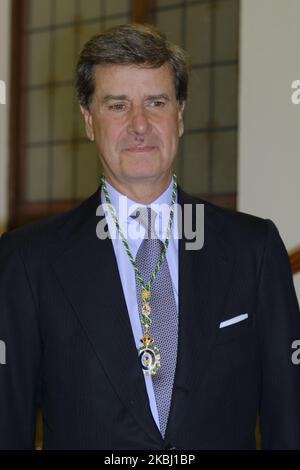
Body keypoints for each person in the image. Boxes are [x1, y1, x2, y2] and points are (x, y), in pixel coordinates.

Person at [0, 23, 300, 451]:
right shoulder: (26, 262)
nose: (139, 125)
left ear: (179, 115)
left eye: (156, 102)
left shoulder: (254, 249)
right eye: (117, 105)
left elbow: (289, 423)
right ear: (89, 120)